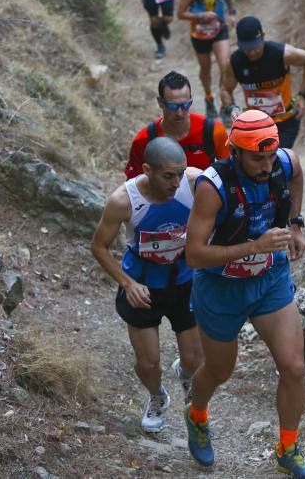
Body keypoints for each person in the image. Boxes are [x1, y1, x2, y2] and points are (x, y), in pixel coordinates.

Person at [183, 110, 305, 478]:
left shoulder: (283, 163)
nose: (266, 165)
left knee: (294, 368)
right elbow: (194, 255)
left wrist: (295, 225)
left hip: (269, 280)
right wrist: (254, 246)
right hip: (221, 286)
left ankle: (288, 449)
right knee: (219, 369)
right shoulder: (213, 188)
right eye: (257, 158)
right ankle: (197, 415)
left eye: (270, 156)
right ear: (235, 152)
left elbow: (297, 173)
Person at [91, 136, 204, 433]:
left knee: (195, 359)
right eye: (168, 176)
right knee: (148, 364)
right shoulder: (123, 201)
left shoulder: (192, 184)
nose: (176, 182)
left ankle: (187, 377)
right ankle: (157, 396)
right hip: (143, 285)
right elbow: (99, 247)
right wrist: (128, 284)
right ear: (147, 169)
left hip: (184, 281)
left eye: (180, 173)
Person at [220, 16, 305, 149]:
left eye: (255, 46)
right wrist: (232, 107)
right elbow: (225, 89)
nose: (252, 52)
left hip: (285, 121)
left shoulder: (281, 54)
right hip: (256, 124)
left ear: (263, 36)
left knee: (274, 158)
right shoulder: (234, 62)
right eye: (246, 48)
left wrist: (303, 94)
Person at [125, 71, 230, 180]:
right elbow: (133, 186)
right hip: (161, 196)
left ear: (191, 99)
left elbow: (230, 171)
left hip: (203, 194)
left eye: (186, 105)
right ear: (160, 102)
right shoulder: (143, 141)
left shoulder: (212, 131)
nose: (180, 113)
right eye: (173, 106)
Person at [177, 0, 237, 118]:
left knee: (226, 65)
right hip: (199, 34)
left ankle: (226, 103)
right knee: (206, 68)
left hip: (219, 29)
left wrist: (231, 13)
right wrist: (200, 16)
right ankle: (209, 98)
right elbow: (180, 13)